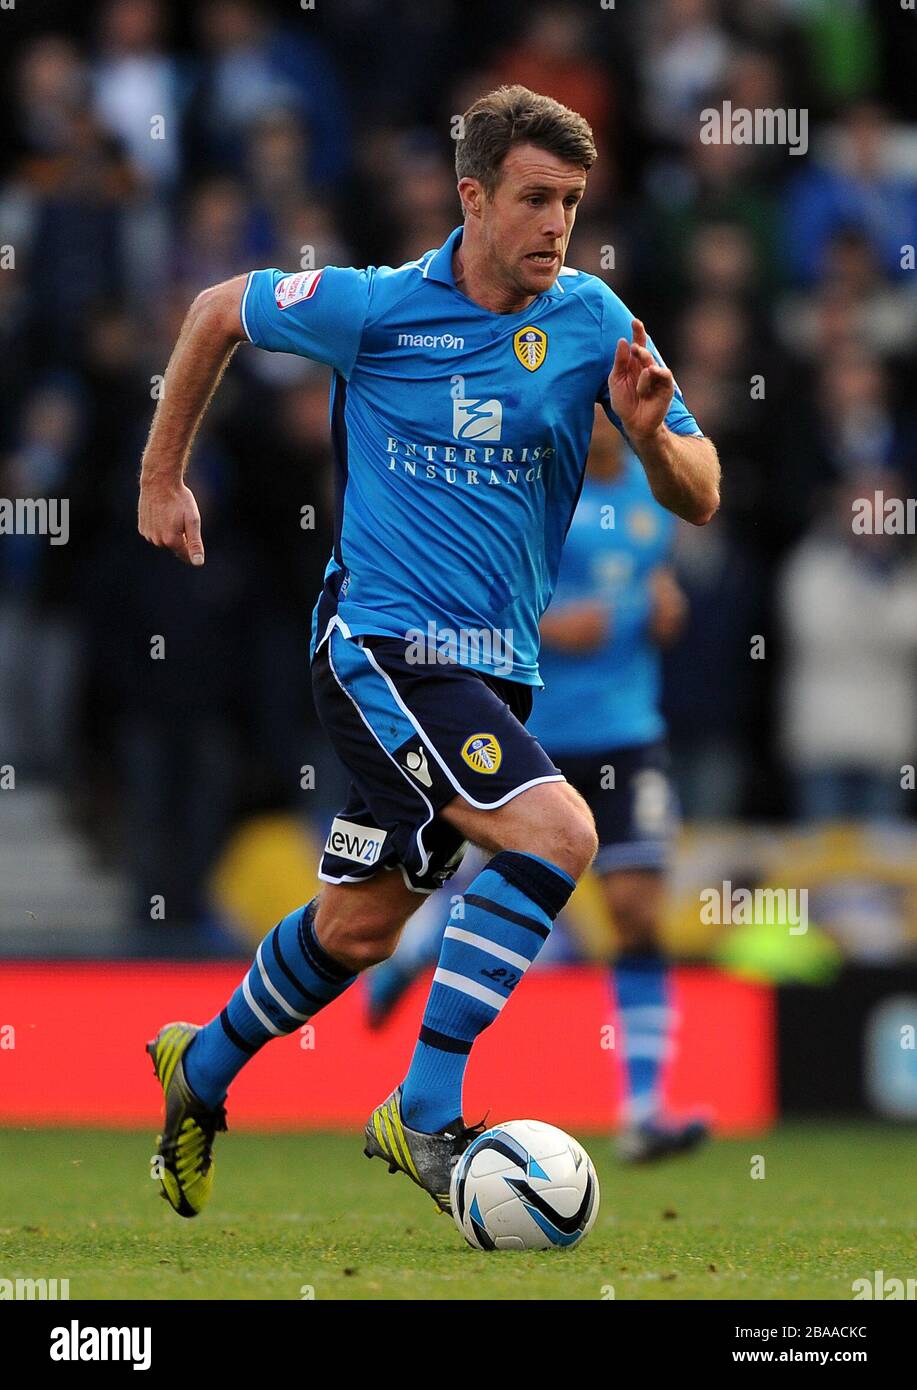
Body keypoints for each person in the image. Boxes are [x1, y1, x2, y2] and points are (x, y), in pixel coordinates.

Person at [137, 85, 719, 1218]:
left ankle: (195, 1067)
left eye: (572, 202)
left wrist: (649, 439)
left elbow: (699, 496)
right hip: (380, 645)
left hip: (492, 670)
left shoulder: (596, 322)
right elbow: (216, 307)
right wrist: (161, 477)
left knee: (359, 927)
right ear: (472, 197)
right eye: (535, 199)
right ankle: (424, 1108)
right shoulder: (371, 308)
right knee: (558, 833)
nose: (557, 224)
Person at [367, 411, 709, 1162]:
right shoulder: (536, 489)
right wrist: (550, 627)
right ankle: (415, 946)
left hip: (629, 731)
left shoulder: (656, 495)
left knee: (637, 910)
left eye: (607, 404)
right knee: (506, 884)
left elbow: (653, 584)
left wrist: (664, 608)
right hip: (536, 730)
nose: (599, 420)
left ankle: (644, 1109)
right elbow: (481, 592)